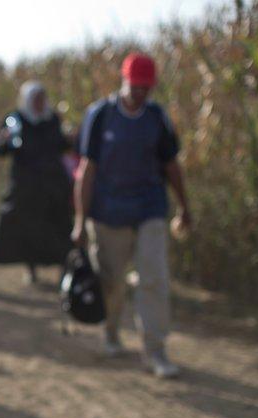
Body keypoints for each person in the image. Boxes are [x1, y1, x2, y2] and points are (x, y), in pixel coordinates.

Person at [71, 52, 192, 378]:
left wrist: (184, 206)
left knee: (154, 279)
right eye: (136, 86)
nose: (141, 93)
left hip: (149, 209)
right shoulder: (101, 116)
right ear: (124, 81)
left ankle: (156, 351)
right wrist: (80, 221)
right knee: (111, 282)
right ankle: (111, 331)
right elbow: (86, 171)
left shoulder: (157, 118)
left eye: (146, 87)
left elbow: (171, 166)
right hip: (108, 214)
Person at [0, 81, 74, 284]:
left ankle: (65, 269)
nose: (39, 103)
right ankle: (32, 267)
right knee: (28, 229)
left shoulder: (52, 119)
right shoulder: (14, 120)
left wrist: (71, 139)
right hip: (26, 187)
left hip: (54, 185)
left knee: (60, 226)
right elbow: (1, 149)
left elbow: (61, 145)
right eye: (35, 99)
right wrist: (1, 141)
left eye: (41, 98)